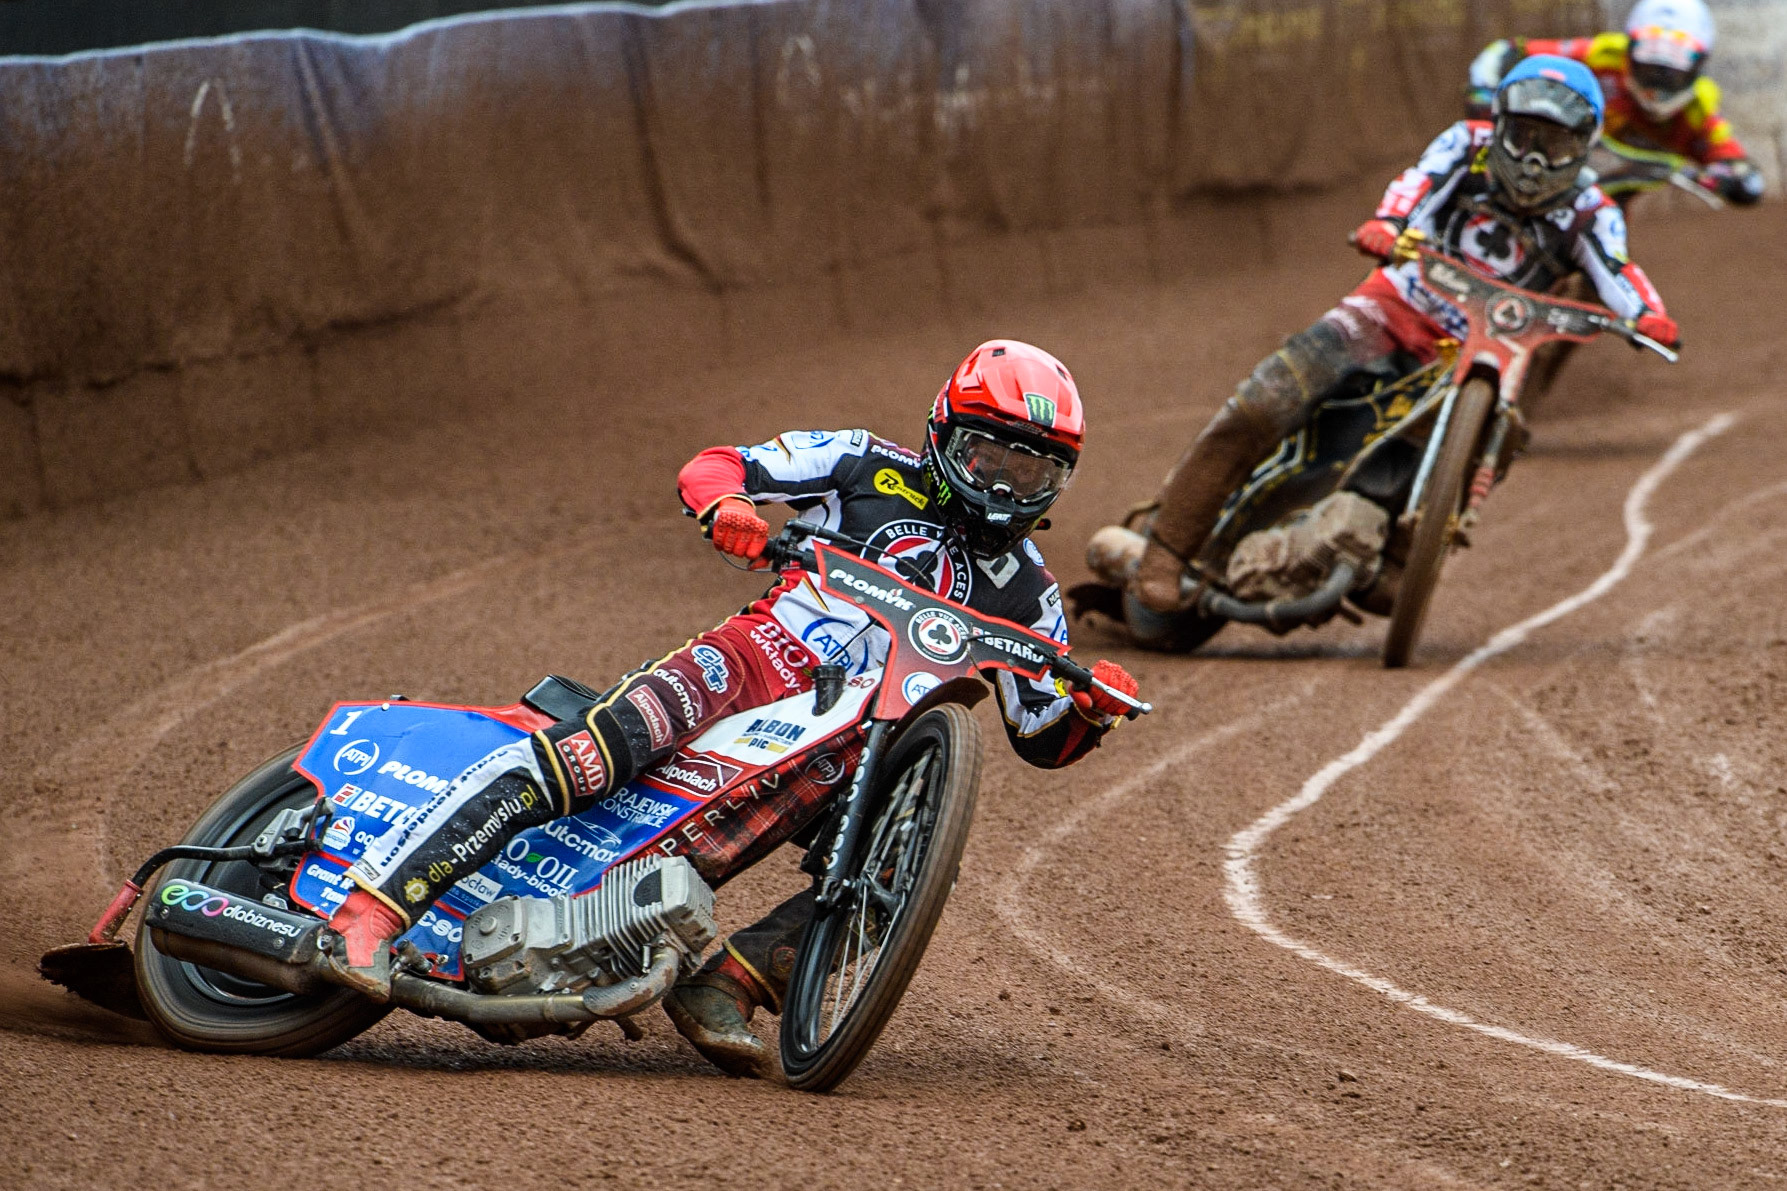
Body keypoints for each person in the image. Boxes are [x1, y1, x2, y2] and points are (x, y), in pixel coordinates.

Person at [316, 339, 1141, 1077]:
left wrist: (1089, 707)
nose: (1003, 486)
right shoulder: (862, 461)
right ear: (943, 434)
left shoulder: (1032, 591)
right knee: (589, 756)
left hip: (848, 745)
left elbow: (1040, 733)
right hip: (748, 661)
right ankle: (373, 907)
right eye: (989, 457)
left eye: (1031, 473)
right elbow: (718, 464)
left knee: (911, 855)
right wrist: (728, 507)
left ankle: (730, 981)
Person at [1123, 56, 1679, 618]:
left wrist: (1646, 316)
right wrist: (1389, 225)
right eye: (1525, 137)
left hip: (1485, 350)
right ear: (1500, 126)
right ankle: (1168, 547)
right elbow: (1418, 183)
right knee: (1275, 390)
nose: (1535, 160)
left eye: (1554, 146)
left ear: (1583, 147)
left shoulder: (1591, 208)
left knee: (1501, 429)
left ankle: (1404, 556)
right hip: (1395, 307)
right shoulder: (1467, 145)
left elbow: (1617, 267)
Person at [1466, 0, 1765, 206]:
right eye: (1650, 58)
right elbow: (1508, 51)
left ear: (1698, 68)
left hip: (1599, 203)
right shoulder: (1604, 56)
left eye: (1673, 67)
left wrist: (1727, 179)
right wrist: (1484, 91)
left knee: (1604, 268)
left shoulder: (1698, 109)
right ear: (1630, 50)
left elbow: (1742, 171)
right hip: (1531, 162)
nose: (1658, 81)